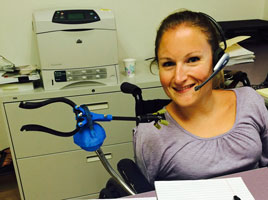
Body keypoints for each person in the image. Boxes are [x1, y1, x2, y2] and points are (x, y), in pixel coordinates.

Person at [133, 9, 268, 185]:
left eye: (192, 60)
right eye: (168, 64)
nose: (179, 77)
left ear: (217, 61)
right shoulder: (150, 135)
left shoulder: (250, 101)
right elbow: (147, 194)